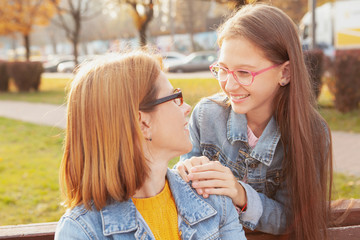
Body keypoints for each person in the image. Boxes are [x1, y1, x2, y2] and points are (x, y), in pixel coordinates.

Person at [176, 4, 333, 240]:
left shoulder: (311, 133)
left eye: (244, 73)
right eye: (223, 69)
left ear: (285, 73)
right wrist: (183, 175)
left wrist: (241, 195)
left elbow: (293, 218)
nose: (229, 85)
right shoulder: (205, 116)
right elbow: (184, 204)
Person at [54, 50, 246, 240]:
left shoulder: (213, 199)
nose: (187, 107)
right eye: (174, 98)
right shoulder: (81, 232)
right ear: (142, 123)